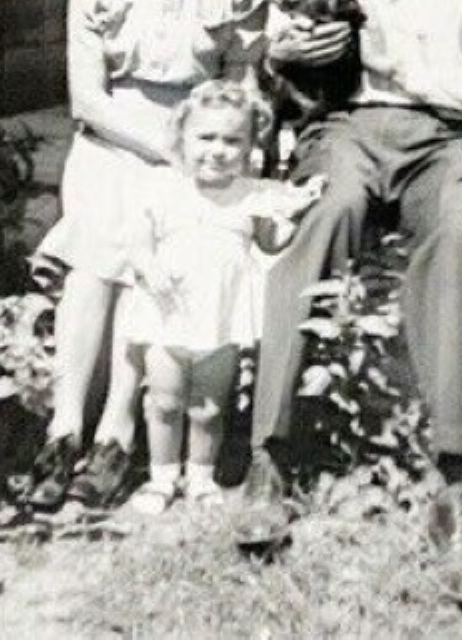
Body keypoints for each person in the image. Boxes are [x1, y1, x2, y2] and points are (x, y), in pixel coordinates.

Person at [240, 0, 462, 605]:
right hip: (347, 131)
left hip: (445, 137)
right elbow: (275, 58)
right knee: (326, 214)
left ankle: (459, 487)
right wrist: (285, 56)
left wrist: (405, 66)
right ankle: (271, 459)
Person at [27, 0, 266, 511]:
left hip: (198, 149)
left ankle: (117, 432)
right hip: (111, 138)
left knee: (153, 248)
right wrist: (160, 145)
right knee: (100, 247)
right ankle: (65, 429)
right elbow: (88, 98)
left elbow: (243, 84)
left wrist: (201, 153)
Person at [119, 80, 323, 515]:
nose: (218, 150)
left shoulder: (252, 194)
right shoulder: (163, 187)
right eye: (206, 138)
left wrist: (295, 212)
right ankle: (161, 476)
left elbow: (271, 243)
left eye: (233, 140)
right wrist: (150, 269)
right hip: (167, 313)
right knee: (164, 400)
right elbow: (137, 243)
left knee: (209, 407)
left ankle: (200, 475)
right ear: (182, 139)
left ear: (250, 145)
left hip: (222, 316)